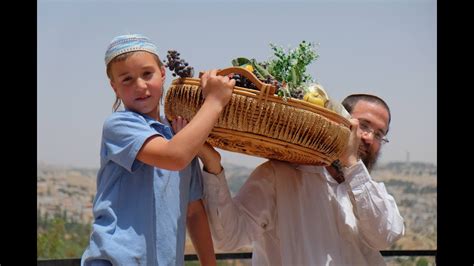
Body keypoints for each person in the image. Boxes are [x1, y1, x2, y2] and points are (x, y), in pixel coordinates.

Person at [196, 93, 405, 265]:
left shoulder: (375, 193)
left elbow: (383, 237)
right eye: (364, 126)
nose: (369, 138)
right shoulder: (279, 176)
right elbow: (228, 238)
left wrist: (351, 163)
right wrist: (213, 166)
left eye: (379, 134)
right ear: (339, 121)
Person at [81, 34, 235, 266]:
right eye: (127, 79)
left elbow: (193, 211)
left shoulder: (177, 136)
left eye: (147, 74)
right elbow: (173, 157)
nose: (140, 86)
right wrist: (214, 101)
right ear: (114, 87)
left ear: (163, 73)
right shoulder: (120, 125)